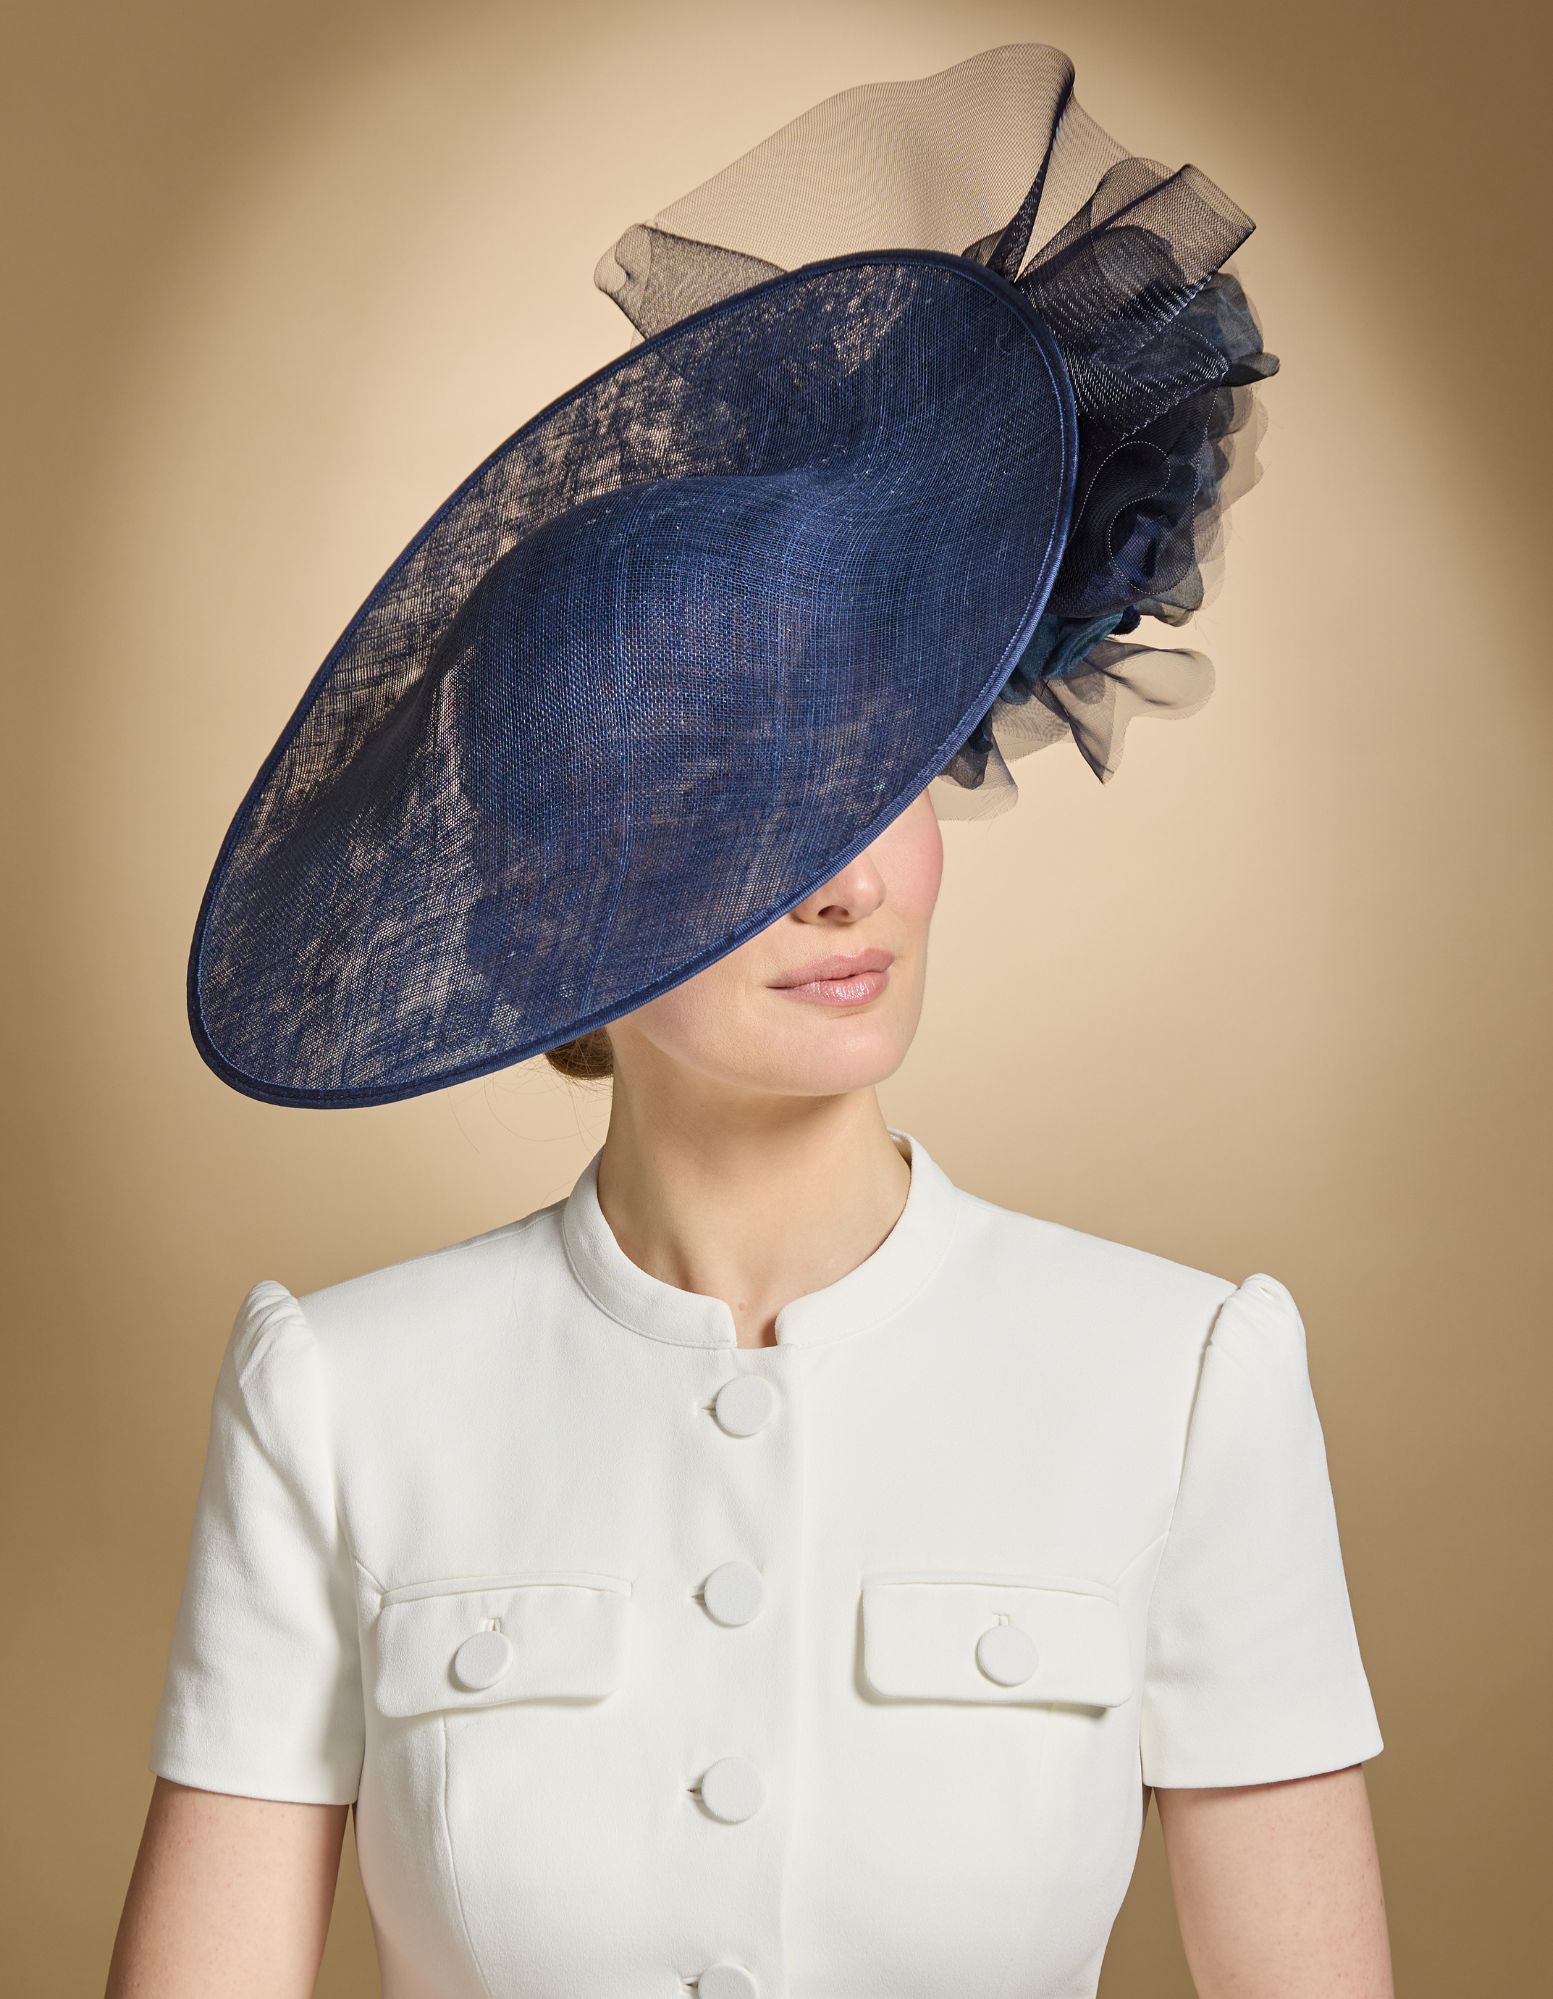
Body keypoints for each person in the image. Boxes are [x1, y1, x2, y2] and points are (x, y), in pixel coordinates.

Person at [107, 44, 1393, 1999]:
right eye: (729, 800)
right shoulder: (343, 1400)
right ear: (544, 898)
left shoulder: (1181, 1377)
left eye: (871, 769)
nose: (842, 878)